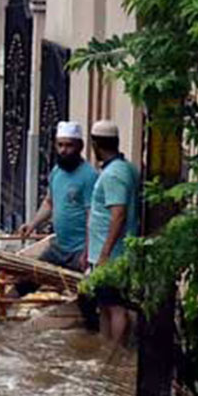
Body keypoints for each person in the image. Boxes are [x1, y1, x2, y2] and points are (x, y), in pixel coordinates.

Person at [86, 119, 141, 345]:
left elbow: (118, 215)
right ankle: (106, 347)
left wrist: (105, 253)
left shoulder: (114, 175)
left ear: (95, 145)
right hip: (107, 253)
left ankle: (115, 351)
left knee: (115, 306)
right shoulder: (124, 169)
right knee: (105, 305)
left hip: (113, 255)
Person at [17, 120, 98, 271]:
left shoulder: (89, 176)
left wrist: (88, 252)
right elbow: (49, 203)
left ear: (79, 147)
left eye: (69, 145)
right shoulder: (56, 172)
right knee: (29, 277)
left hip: (78, 250)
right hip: (58, 247)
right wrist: (32, 225)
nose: (63, 150)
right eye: (60, 145)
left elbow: (91, 217)